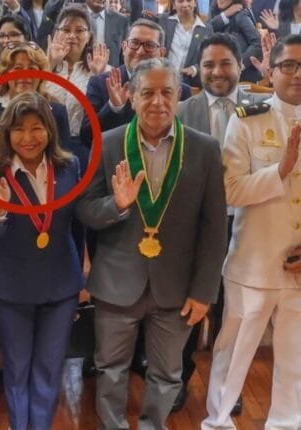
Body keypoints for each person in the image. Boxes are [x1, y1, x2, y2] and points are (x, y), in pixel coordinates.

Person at [76, 57, 227, 430]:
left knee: (167, 374)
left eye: (166, 92)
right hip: (117, 282)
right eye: (147, 93)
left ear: (179, 97)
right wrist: (117, 205)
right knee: (110, 369)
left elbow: (214, 229)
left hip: (177, 287)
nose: (157, 102)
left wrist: (204, 292)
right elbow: (85, 211)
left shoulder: (205, 149)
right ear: (131, 97)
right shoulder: (108, 144)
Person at [202, 33, 301, 430]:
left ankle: (287, 423)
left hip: (299, 269)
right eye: (289, 65)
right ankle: (218, 422)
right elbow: (230, 190)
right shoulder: (247, 120)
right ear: (270, 72)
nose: (297, 74)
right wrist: (280, 170)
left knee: (295, 358)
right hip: (254, 263)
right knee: (233, 354)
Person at [0, 91, 82, 430]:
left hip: (61, 285)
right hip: (12, 288)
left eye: (37, 128)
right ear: (6, 133)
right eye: (19, 129)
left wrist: (83, 274)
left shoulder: (69, 167)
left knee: (49, 369)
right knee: (17, 368)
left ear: (50, 130)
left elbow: (78, 224)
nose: (28, 137)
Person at [175, 31, 263, 413]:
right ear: (198, 69)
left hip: (246, 224)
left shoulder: (261, 109)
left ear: (240, 66)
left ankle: (229, 385)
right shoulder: (182, 111)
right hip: (194, 228)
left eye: (225, 63)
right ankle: (178, 379)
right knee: (189, 307)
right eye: (208, 64)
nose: (216, 71)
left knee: (234, 310)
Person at [79, 19, 193, 145]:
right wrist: (113, 107)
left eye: (149, 45)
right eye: (134, 43)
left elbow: (187, 140)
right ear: (124, 47)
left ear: (162, 53)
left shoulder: (180, 91)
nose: (140, 51)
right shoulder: (101, 83)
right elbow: (87, 136)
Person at [45, 6, 111, 138]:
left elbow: (105, 114)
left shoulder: (103, 69)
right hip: (46, 139)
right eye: (66, 30)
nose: (72, 36)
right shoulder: (41, 66)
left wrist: (97, 77)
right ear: (57, 33)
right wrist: (50, 64)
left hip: (83, 141)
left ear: (89, 36)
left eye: (79, 30)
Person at [147, 0, 211, 87]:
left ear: (195, 3)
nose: (185, 4)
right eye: (180, 1)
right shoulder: (163, 21)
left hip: (188, 83)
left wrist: (194, 69)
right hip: (160, 78)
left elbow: (209, 57)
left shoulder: (206, 29)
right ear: (174, 4)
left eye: (189, 1)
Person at [208, 0, 263, 81]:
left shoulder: (241, 15)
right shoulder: (214, 11)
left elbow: (257, 44)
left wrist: (239, 64)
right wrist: (224, 15)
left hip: (242, 75)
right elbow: (206, 30)